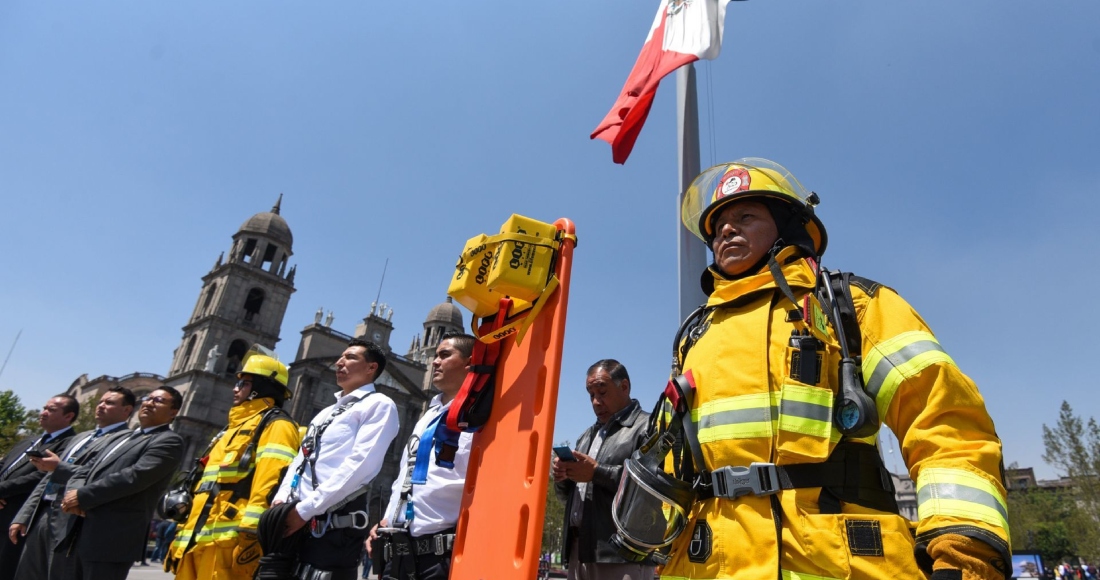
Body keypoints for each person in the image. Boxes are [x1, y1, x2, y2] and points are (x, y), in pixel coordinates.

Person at [650, 158, 1009, 580]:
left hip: (841, 564)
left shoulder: (851, 306)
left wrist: (963, 553)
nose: (725, 230)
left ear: (788, 225)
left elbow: (947, 427)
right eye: (717, 226)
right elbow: (673, 461)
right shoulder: (696, 337)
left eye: (745, 216)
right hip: (705, 567)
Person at [166, 349, 301, 580]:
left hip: (230, 544)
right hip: (197, 539)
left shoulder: (277, 425)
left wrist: (251, 531)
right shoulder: (230, 430)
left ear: (261, 387)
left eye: (244, 383)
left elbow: (270, 481)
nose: (235, 388)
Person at [270, 338, 399, 580]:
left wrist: (305, 510)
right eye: (341, 357)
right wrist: (282, 500)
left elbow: (359, 466)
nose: (340, 362)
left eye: (350, 357)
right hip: (295, 522)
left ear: (372, 368)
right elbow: (301, 460)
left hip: (334, 528)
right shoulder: (325, 414)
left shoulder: (379, 405)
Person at [368, 332, 475, 580]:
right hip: (395, 554)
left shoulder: (478, 417)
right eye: (435, 355)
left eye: (445, 355)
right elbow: (410, 476)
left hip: (438, 558)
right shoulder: (428, 415)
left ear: (470, 362)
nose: (435, 361)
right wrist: (387, 520)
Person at [56, 386, 185, 580]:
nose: (149, 403)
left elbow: (134, 477)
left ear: (173, 412)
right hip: (77, 532)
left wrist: (83, 496)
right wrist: (73, 494)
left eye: (158, 401)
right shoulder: (121, 437)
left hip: (110, 540)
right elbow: (85, 469)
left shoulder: (169, 441)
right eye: (148, 398)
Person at [10, 386, 135, 580]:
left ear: (127, 411)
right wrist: (24, 515)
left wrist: (59, 467)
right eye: (101, 401)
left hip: (70, 518)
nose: (101, 406)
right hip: (44, 513)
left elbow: (98, 475)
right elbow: (48, 477)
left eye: (109, 403)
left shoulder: (125, 441)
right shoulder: (80, 437)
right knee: (28, 573)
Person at [553, 360, 651, 580]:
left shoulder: (648, 426)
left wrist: (596, 473)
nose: (596, 402)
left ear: (624, 387)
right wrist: (563, 477)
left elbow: (650, 489)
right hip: (580, 551)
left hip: (620, 555)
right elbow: (565, 497)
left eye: (602, 392)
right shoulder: (587, 436)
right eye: (591, 395)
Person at [0, 395, 78, 580]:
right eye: (44, 408)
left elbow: (40, 477)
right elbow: (4, 466)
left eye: (51, 410)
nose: (43, 413)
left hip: (16, 521)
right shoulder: (28, 441)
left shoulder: (69, 445)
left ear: (68, 416)